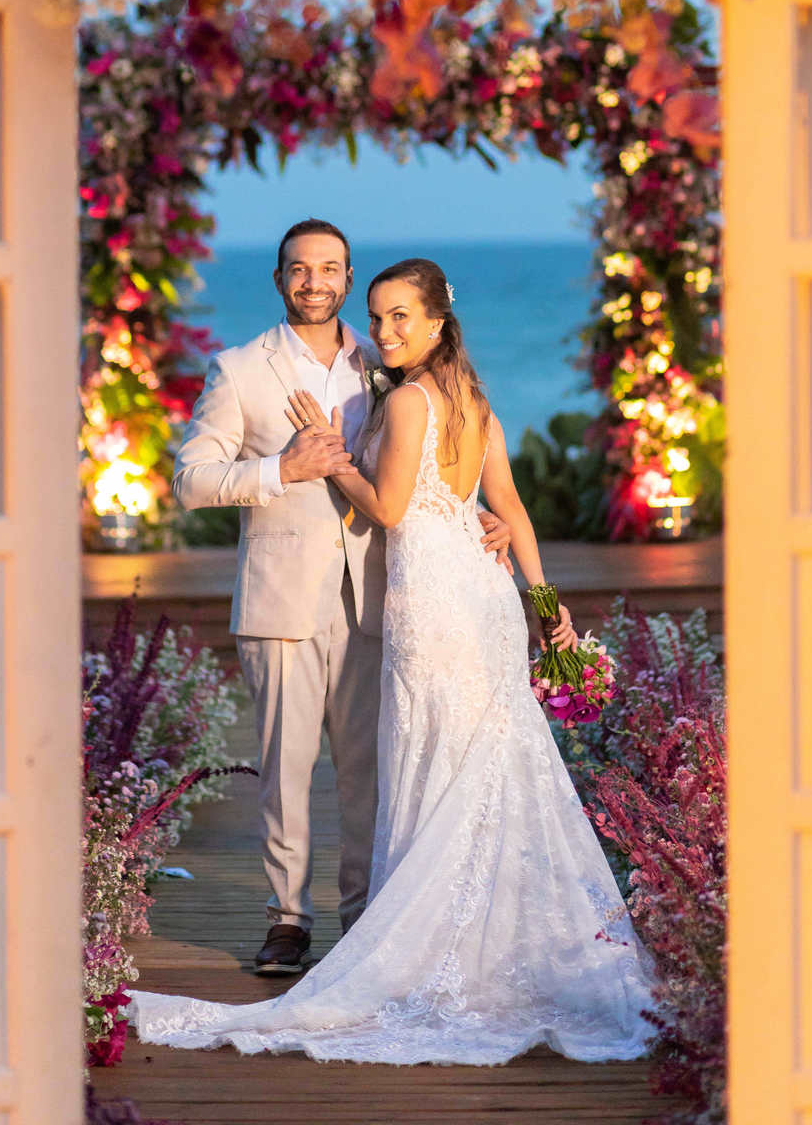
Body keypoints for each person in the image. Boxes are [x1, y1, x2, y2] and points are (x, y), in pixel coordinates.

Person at [132, 256, 655, 1064]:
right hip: (484, 599)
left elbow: (390, 506)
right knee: (486, 764)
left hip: (434, 606)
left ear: (440, 322)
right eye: (377, 318)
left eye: (401, 317)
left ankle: (431, 941)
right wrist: (548, 609)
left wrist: (336, 458)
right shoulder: (476, 401)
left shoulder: (408, 399)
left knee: (434, 766)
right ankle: (484, 934)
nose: (384, 332)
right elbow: (509, 511)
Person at [170, 223, 514, 974]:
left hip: (379, 598)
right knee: (286, 770)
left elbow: (426, 461)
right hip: (281, 600)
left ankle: (364, 918)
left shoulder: (385, 363)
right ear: (280, 278)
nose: (314, 281)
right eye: (300, 269)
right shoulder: (239, 369)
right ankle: (289, 919)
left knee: (369, 771)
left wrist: (469, 513)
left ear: (348, 277)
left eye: (329, 269)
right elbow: (190, 479)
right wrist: (280, 470)